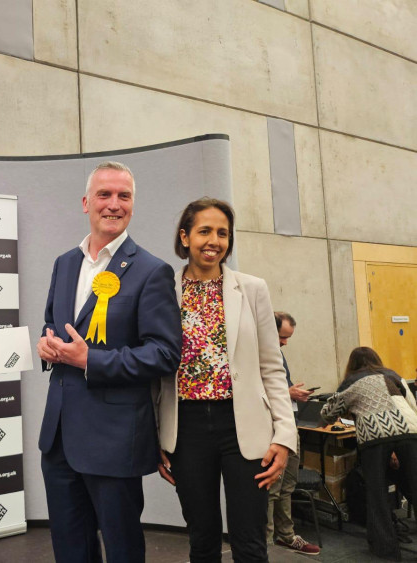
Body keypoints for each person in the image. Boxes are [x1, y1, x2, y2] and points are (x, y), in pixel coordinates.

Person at [37, 161, 182, 563]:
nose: (113, 204)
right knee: (70, 549)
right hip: (60, 437)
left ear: (133, 205)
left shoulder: (152, 271)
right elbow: (54, 323)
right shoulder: (65, 263)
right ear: (86, 202)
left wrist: (91, 361)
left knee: (122, 551)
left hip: (114, 439)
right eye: (104, 194)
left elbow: (166, 352)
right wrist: (47, 345)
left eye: (124, 196)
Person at [157, 197, 297, 562]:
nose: (214, 241)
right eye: (205, 231)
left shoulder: (252, 289)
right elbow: (154, 375)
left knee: (250, 542)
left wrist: (285, 435)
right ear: (185, 237)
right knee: (202, 540)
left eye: (223, 233)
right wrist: (152, 436)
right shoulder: (162, 292)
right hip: (185, 430)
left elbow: (272, 368)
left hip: (245, 428)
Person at [321, 347, 417, 561]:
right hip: (410, 430)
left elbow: (328, 413)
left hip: (374, 436)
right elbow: (412, 404)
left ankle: (387, 550)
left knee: (377, 494)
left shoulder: (351, 381)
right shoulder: (393, 375)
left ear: (351, 364)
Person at [267, 312, 320, 554]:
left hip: (289, 424)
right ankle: (265, 541)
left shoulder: (278, 353)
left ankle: (286, 535)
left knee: (287, 484)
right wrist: (288, 393)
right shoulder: (257, 353)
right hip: (270, 428)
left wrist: (291, 393)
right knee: (272, 487)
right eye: (282, 337)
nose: (285, 342)